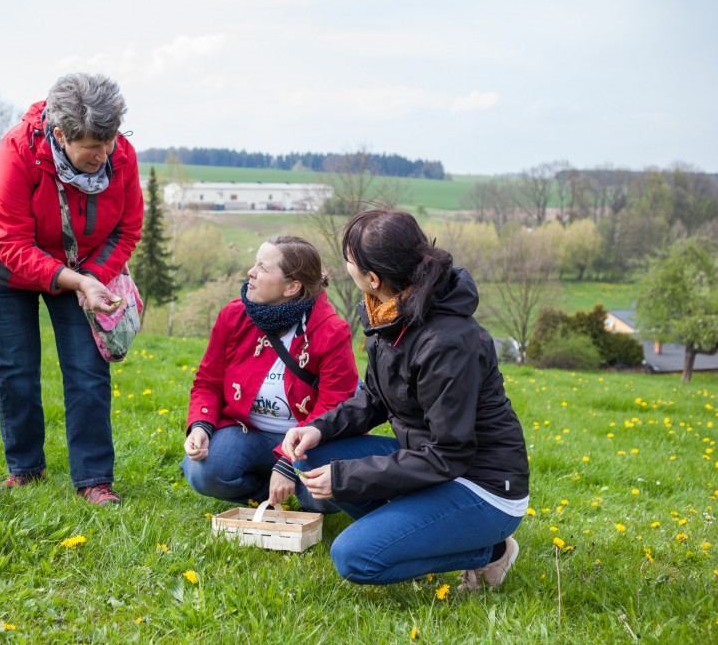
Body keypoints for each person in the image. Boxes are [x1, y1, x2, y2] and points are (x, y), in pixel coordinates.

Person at [282, 209, 530, 588]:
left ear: (373, 278)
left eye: (348, 259)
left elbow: (450, 453)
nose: (344, 265)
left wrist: (347, 478)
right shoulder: (389, 313)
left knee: (355, 557)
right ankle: (414, 530)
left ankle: (492, 551)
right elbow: (375, 399)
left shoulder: (446, 343)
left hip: (484, 486)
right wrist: (317, 428)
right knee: (315, 453)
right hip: (436, 466)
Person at [0, 73, 143, 506]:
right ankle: (25, 470)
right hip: (5, 269)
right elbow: (9, 243)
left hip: (82, 267)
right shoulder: (18, 150)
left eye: (109, 143)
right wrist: (78, 279)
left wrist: (93, 276)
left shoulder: (119, 154)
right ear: (60, 135)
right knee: (17, 370)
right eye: (90, 148)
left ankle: (93, 480)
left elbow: (127, 228)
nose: (102, 155)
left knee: (87, 371)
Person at [182, 236, 358, 512]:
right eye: (255, 264)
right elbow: (208, 382)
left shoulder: (331, 331)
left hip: (308, 440)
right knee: (204, 472)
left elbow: (334, 405)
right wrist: (201, 425)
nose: (251, 272)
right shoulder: (233, 316)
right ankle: (270, 492)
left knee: (321, 498)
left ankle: (293, 484)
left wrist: (289, 463)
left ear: (292, 286)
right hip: (247, 431)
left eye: (263, 268)